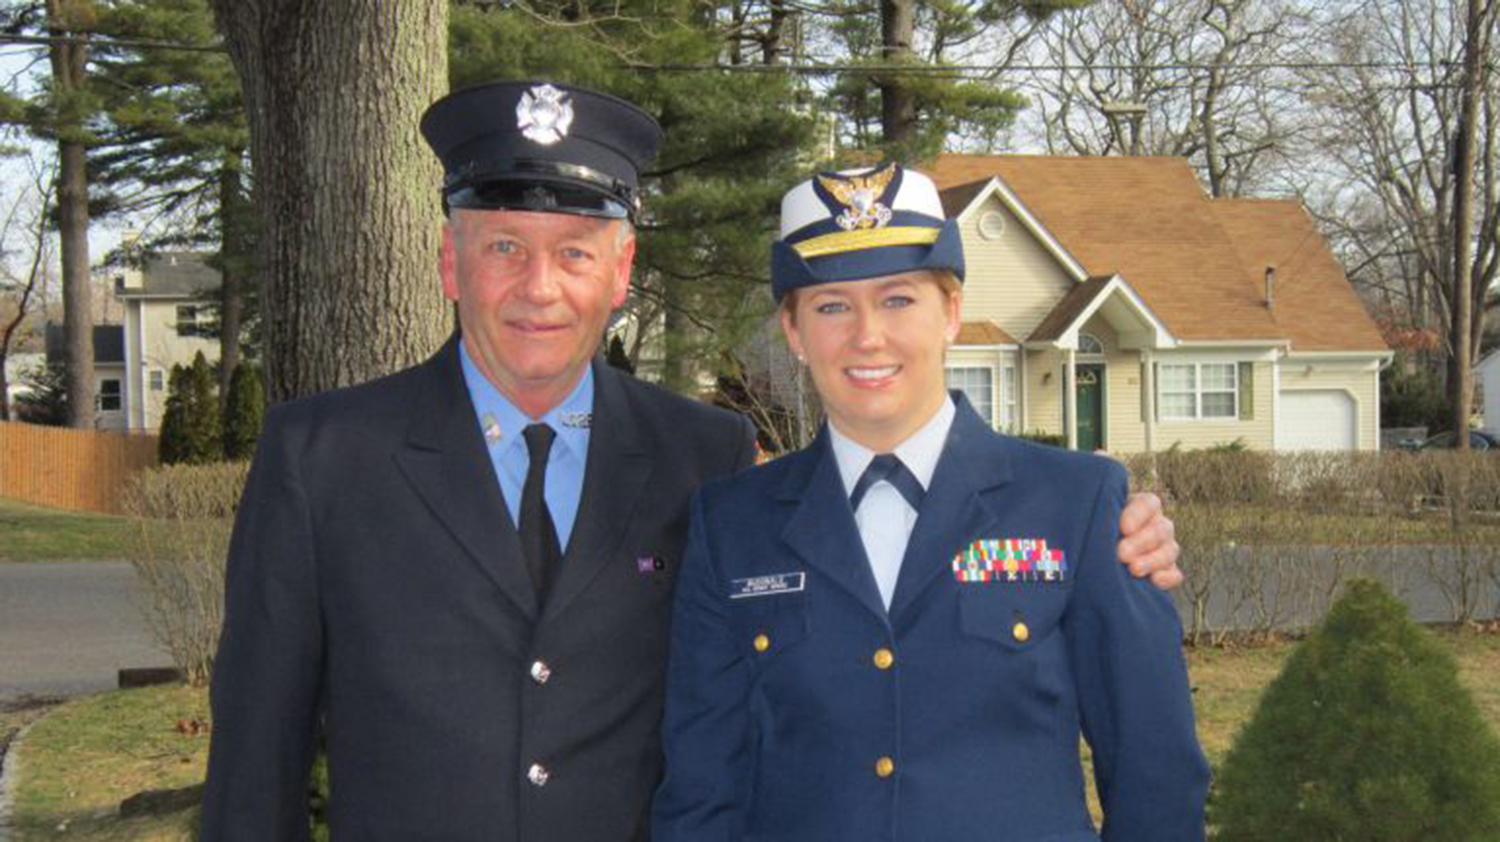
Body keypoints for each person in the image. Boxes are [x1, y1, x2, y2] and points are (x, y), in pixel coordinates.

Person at [199, 82, 1184, 842]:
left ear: (621, 271)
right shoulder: (325, 456)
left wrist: (1113, 521)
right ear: (451, 262)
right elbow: (254, 762)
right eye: (503, 246)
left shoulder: (702, 457)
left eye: (577, 250)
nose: (539, 286)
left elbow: (1153, 767)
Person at [653, 163, 1211, 841]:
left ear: (950, 311)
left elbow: (1155, 769)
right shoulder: (734, 524)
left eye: (898, 299)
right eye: (831, 306)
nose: (868, 336)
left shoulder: (1077, 504)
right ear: (794, 333)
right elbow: (703, 786)